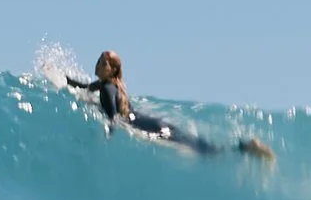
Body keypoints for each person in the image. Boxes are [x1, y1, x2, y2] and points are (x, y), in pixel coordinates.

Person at [65, 50, 273, 161]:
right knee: (201, 147)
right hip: (150, 121)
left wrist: (107, 136)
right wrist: (59, 77)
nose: (97, 64)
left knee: (204, 152)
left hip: (149, 127)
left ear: (111, 71)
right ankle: (243, 148)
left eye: (103, 63)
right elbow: (84, 87)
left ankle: (243, 148)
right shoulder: (106, 84)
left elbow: (113, 116)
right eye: (99, 60)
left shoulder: (108, 89)